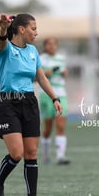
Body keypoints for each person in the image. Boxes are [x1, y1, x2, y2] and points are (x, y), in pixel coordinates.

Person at [0, 13, 63, 196]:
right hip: (7, 104)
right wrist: (3, 28)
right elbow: (2, 38)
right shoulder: (5, 50)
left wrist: (54, 98)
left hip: (29, 103)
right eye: (33, 28)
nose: (36, 32)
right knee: (16, 153)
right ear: (21, 29)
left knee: (31, 153)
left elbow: (41, 78)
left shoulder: (32, 51)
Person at [39, 37, 70, 165]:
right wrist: (50, 72)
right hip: (46, 95)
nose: (52, 46)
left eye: (54, 44)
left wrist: (64, 73)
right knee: (47, 128)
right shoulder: (41, 58)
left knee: (61, 125)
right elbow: (38, 77)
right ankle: (46, 154)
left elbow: (64, 72)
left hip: (61, 94)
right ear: (45, 46)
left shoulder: (61, 58)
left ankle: (60, 156)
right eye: (49, 44)